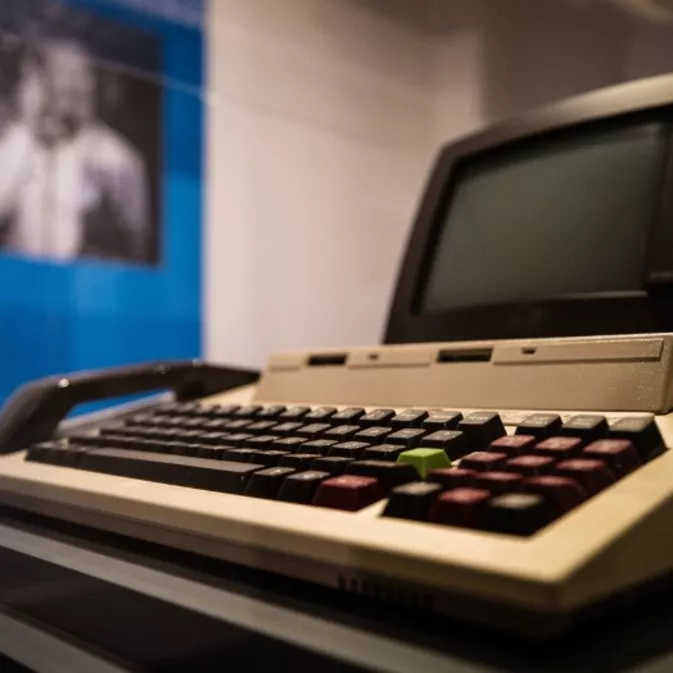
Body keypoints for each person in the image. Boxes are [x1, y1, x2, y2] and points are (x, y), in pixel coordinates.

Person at [0, 38, 151, 262]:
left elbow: (138, 244)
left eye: (82, 73)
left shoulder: (118, 157)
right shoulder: (18, 143)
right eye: (63, 73)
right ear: (41, 80)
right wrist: (24, 130)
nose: (74, 86)